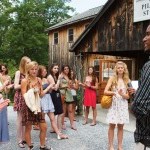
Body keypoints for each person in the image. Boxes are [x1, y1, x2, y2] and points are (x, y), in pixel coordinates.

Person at [21, 61, 52, 150]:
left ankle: (42, 146)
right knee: (28, 128)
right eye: (32, 69)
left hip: (38, 106)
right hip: (28, 107)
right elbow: (24, 96)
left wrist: (40, 91)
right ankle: (30, 147)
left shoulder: (39, 79)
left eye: (36, 69)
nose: (34, 71)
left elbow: (41, 94)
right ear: (28, 70)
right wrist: (32, 91)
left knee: (44, 127)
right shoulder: (24, 80)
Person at [128, 24, 150, 150]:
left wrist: (134, 102)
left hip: (146, 137)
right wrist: (138, 93)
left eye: (148, 34)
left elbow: (140, 107)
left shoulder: (148, 66)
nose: (144, 39)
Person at [104, 61, 130, 150]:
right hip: (114, 105)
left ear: (124, 69)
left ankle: (119, 146)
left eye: (121, 68)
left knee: (121, 126)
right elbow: (105, 91)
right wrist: (115, 92)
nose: (120, 69)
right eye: (118, 68)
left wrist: (122, 94)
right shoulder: (112, 78)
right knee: (112, 125)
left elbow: (128, 96)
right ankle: (110, 146)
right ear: (116, 69)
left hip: (123, 105)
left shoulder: (127, 80)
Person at [38, 65, 68, 139]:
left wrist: (51, 87)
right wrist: (50, 86)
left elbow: (52, 89)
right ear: (40, 72)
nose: (45, 71)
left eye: (45, 70)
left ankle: (59, 134)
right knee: (42, 119)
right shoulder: (38, 80)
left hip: (49, 99)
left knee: (52, 118)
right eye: (43, 70)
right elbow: (41, 94)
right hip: (42, 100)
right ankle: (43, 135)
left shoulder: (46, 79)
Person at [13, 56, 31, 148]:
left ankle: (24, 138)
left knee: (26, 119)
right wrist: (25, 83)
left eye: (30, 62)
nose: (29, 64)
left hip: (28, 96)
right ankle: (19, 140)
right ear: (23, 63)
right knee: (20, 118)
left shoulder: (30, 73)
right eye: (28, 62)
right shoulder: (18, 73)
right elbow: (15, 86)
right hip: (20, 96)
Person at [59, 65, 77, 130]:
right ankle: (62, 123)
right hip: (63, 93)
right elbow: (59, 85)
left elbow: (71, 85)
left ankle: (72, 124)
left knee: (70, 110)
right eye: (65, 69)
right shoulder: (61, 76)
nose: (66, 70)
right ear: (63, 70)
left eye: (67, 69)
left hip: (69, 93)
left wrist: (72, 85)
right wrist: (66, 86)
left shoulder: (69, 76)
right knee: (63, 110)